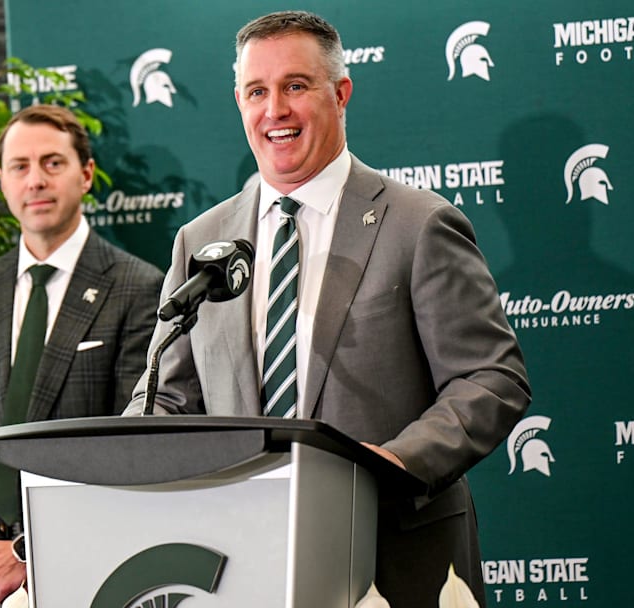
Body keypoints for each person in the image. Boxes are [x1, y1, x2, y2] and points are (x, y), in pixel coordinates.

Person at [125, 11, 530, 608]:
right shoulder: (201, 240)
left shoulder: (418, 224)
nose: (275, 111)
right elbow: (170, 394)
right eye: (257, 92)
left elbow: (491, 379)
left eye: (295, 86)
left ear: (340, 93)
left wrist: (391, 463)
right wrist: (125, 454)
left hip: (392, 556)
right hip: (241, 562)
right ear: (238, 102)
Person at [0, 104, 164, 608]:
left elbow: (126, 444)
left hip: (86, 570)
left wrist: (29, 553)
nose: (36, 181)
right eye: (20, 167)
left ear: (86, 175)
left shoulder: (138, 288)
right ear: (3, 182)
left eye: (53, 163)